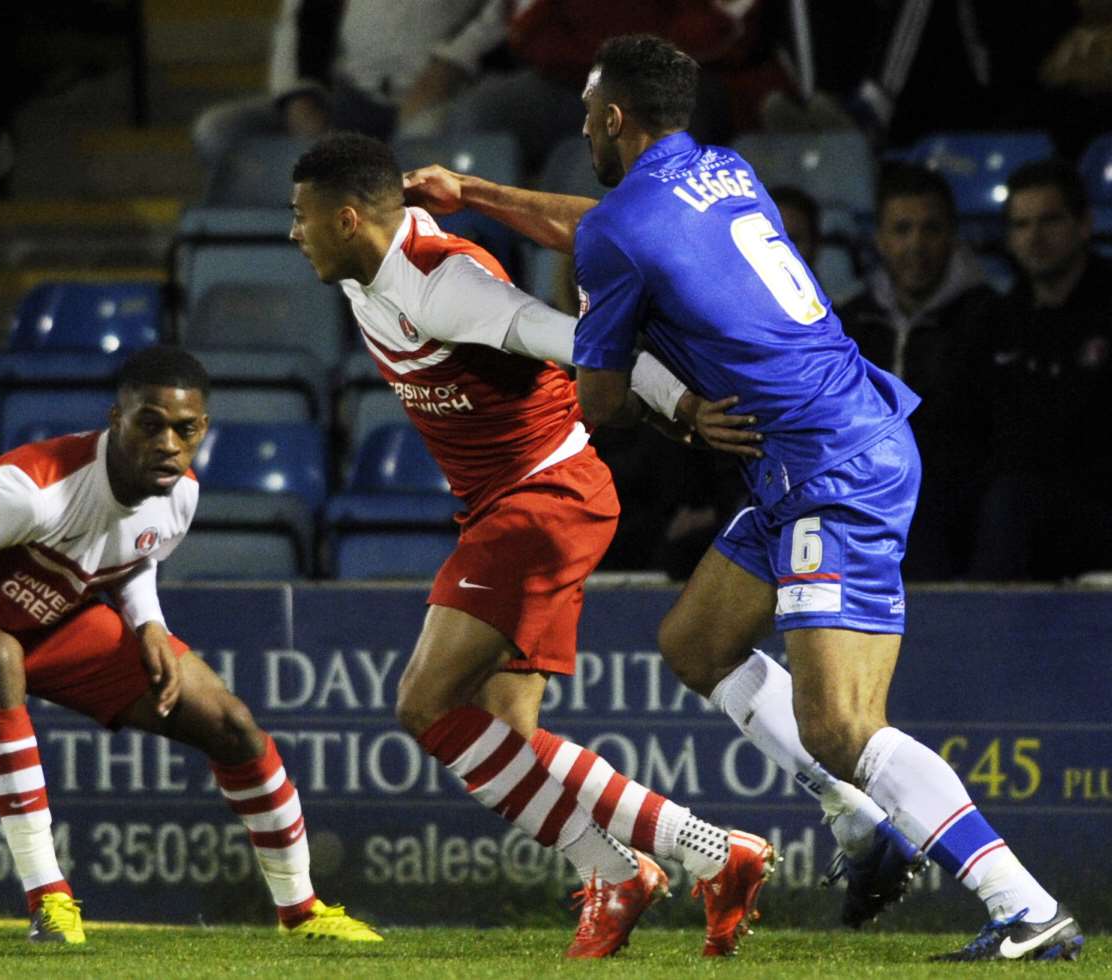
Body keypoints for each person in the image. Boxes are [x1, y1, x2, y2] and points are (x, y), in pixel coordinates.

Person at [403, 34, 1083, 960]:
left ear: (612, 120)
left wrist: (646, 397)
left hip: (826, 471)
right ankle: (859, 823)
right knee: (697, 643)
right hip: (821, 448)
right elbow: (600, 225)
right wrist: (477, 194)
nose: (581, 131)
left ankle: (1024, 906)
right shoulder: (719, 170)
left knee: (841, 725)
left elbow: (598, 398)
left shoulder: (620, 231)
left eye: (586, 116)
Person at [290, 131, 775, 958]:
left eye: (301, 218)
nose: (292, 234)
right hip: (507, 502)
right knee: (504, 728)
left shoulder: (444, 286)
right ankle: (619, 876)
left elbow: (583, 341)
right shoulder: (359, 275)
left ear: (346, 220)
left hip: (545, 495)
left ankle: (695, 852)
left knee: (425, 702)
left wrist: (683, 407)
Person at [0, 348, 382, 946]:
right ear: (116, 418)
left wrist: (148, 625)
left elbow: (133, 558)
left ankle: (302, 912)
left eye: (184, 429)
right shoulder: (28, 492)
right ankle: (50, 902)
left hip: (61, 620)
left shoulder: (181, 495)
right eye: (150, 423)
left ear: (203, 431)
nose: (167, 442)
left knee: (231, 723)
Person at [840, 164, 996, 580]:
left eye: (931, 229)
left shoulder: (990, 316)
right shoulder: (850, 321)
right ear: (879, 239)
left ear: (953, 234)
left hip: (949, 494)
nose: (916, 245)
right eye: (901, 229)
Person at [969, 158, 1112, 580]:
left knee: (1011, 501)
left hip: (1097, 499)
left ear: (1083, 225)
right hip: (1019, 502)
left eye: (1049, 221)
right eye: (1021, 225)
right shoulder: (995, 320)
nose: (1034, 238)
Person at [191, 0, 505, 191]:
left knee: (423, 136)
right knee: (220, 130)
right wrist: (297, 95)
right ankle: (283, 259)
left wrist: (451, 63)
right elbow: (300, 17)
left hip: (450, 93)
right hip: (350, 94)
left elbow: (509, 10)